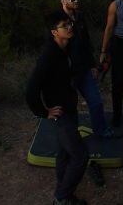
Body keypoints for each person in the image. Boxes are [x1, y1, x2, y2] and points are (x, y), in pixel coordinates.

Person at [26, 12, 89, 205]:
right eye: (65, 26)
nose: (69, 27)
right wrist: (44, 112)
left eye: (69, 24)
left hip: (69, 107)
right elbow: (31, 89)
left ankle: (64, 191)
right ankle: (61, 198)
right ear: (54, 32)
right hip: (61, 113)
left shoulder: (65, 48)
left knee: (64, 153)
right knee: (80, 156)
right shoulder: (49, 55)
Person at [60, 0, 116, 139]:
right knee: (70, 107)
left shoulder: (80, 17)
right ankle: (71, 136)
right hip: (68, 73)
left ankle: (101, 130)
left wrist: (93, 65)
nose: (76, 1)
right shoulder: (58, 23)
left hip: (83, 69)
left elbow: (86, 42)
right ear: (63, 1)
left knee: (95, 101)